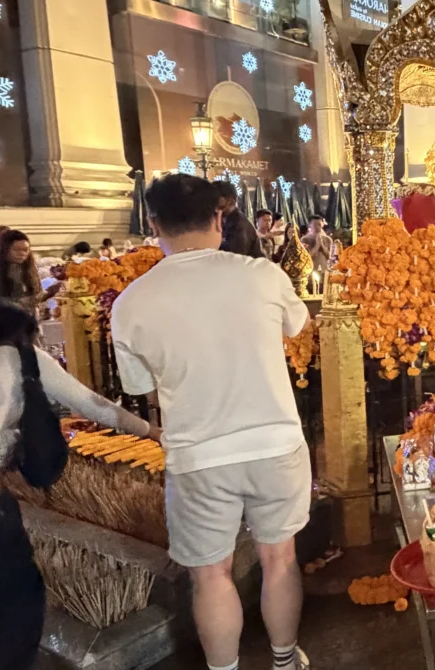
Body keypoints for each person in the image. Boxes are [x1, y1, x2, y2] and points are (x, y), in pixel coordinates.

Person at [110, 174, 312, 670]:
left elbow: (137, 387)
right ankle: (284, 661)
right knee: (279, 558)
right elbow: (298, 324)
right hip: (275, 442)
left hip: (198, 455)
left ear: (153, 222)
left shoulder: (131, 302)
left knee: (211, 574)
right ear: (219, 218)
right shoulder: (262, 276)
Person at [0, 304, 156, 670]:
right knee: (12, 603)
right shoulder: (20, 356)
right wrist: (152, 431)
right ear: (28, 334)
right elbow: (92, 404)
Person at [217, 181, 263, 259]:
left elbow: (235, 258)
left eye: (215, 199)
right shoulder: (224, 219)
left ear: (231, 202)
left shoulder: (239, 225)